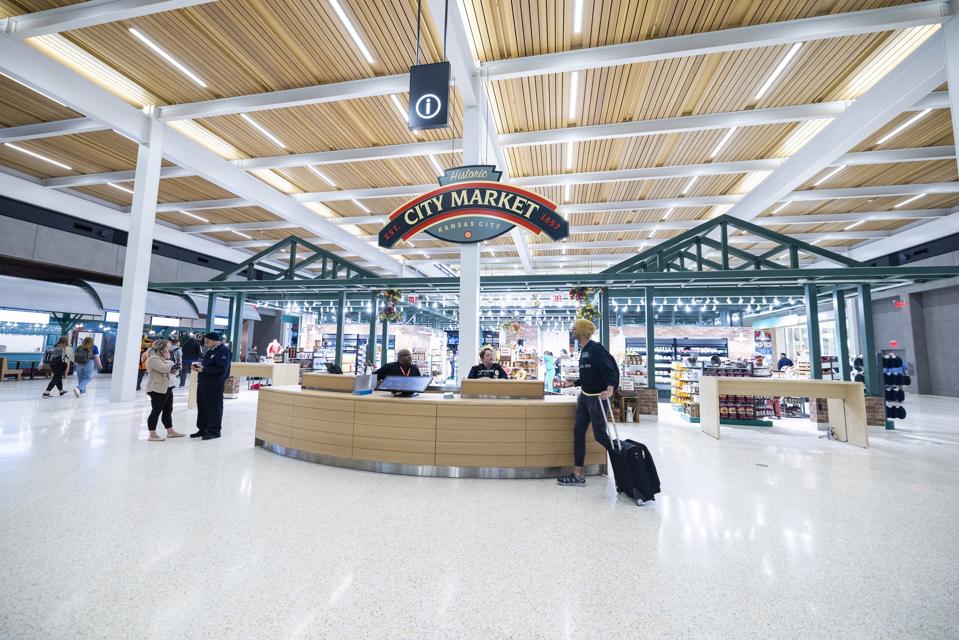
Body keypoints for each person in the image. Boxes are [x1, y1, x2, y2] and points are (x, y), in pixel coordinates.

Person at [557, 319, 619, 487]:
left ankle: (622, 460)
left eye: (575, 328)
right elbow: (588, 375)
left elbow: (610, 371)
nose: (572, 330)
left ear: (581, 331)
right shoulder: (584, 350)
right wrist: (574, 383)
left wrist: (610, 389)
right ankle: (577, 475)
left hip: (597, 398)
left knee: (600, 435)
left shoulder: (596, 349)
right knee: (578, 432)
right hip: (584, 397)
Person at [191, 332, 232, 440]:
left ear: (215, 340)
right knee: (203, 406)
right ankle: (203, 429)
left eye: (207, 341)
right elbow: (207, 364)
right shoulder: (211, 350)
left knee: (214, 407)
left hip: (214, 384)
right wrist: (199, 366)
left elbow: (221, 369)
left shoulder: (224, 351)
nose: (206, 343)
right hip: (204, 382)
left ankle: (214, 431)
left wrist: (204, 369)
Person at [144, 339, 184, 442]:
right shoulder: (153, 359)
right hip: (157, 388)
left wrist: (175, 369)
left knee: (168, 410)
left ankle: (170, 431)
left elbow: (172, 372)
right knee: (156, 411)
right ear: (161, 349)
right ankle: (152, 434)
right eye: (166, 347)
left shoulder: (163, 359)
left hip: (168, 387)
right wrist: (170, 361)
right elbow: (165, 369)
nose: (168, 350)